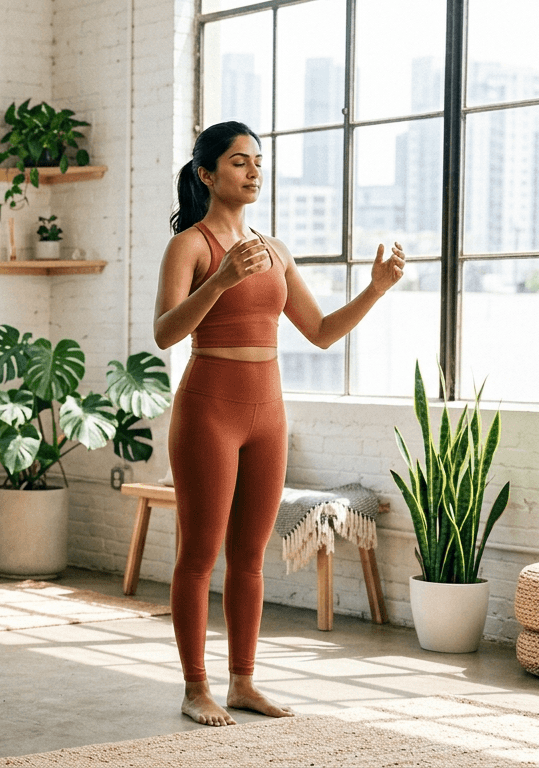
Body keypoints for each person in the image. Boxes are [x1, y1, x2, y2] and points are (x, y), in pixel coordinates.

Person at [154, 121, 405, 727]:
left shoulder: (277, 249)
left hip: (268, 413)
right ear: (206, 175)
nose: (253, 171)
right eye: (239, 162)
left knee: (250, 557)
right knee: (198, 555)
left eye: (258, 162)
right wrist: (222, 278)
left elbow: (319, 333)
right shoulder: (191, 246)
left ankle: (243, 681)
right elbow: (166, 332)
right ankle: (196, 688)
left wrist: (374, 289)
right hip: (208, 409)